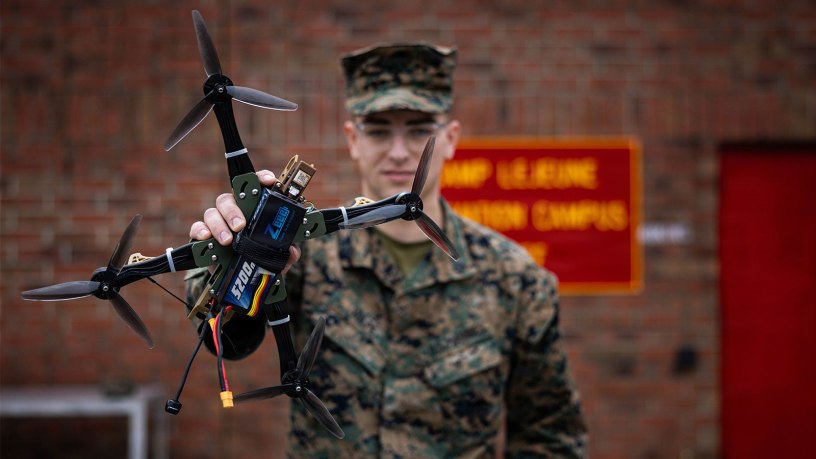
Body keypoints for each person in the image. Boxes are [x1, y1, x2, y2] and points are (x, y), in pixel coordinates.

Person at [187, 42, 588, 458]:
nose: (398, 152)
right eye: (378, 130)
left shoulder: (515, 279)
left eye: (418, 130)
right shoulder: (303, 255)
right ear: (352, 139)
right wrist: (233, 255)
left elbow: (551, 435)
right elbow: (225, 340)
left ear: (451, 139)